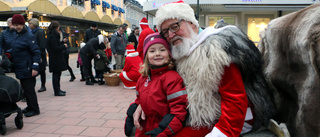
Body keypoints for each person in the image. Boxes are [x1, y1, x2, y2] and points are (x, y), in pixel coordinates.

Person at [134, 1, 276, 137]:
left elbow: (235, 101)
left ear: (191, 23)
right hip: (190, 116)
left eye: (175, 26)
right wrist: (142, 104)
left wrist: (220, 134)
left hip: (222, 120)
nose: (171, 34)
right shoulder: (181, 50)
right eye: (165, 31)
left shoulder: (216, 50)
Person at [125, 33, 188, 137]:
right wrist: (130, 115)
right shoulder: (143, 78)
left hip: (163, 128)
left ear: (169, 54)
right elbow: (139, 99)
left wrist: (162, 131)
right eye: (152, 51)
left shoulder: (172, 78)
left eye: (162, 50)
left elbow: (178, 112)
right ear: (146, 56)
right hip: (144, 127)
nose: (157, 53)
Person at [10, 14, 41, 117]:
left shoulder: (29, 36)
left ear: (23, 24)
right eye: (15, 25)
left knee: (29, 90)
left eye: (19, 24)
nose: (17, 27)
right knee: (25, 90)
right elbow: (15, 48)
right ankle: (30, 106)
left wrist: (35, 67)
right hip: (20, 67)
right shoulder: (16, 34)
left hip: (28, 67)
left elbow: (36, 52)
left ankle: (35, 109)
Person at [46, 21, 68, 96]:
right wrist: (63, 46)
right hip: (55, 58)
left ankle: (58, 89)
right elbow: (55, 48)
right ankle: (57, 91)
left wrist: (62, 42)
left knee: (57, 74)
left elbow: (55, 45)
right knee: (56, 74)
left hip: (55, 58)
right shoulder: (52, 36)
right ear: (57, 27)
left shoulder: (52, 35)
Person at [28, 18, 47, 92]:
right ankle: (33, 86)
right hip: (34, 54)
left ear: (34, 24)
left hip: (40, 54)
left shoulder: (40, 31)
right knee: (34, 70)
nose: (29, 25)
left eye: (30, 23)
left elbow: (42, 45)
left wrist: (41, 56)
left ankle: (43, 85)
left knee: (42, 70)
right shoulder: (30, 32)